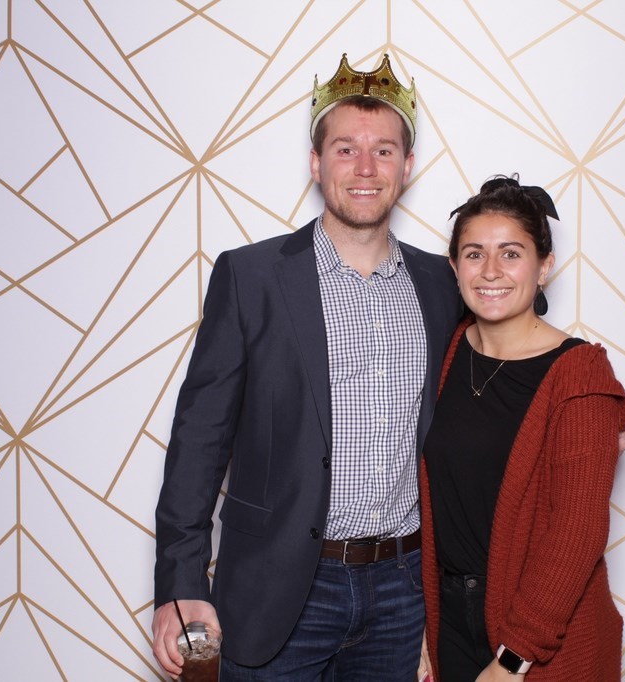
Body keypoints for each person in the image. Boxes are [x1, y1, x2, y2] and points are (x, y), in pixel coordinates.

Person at [150, 53, 461, 680]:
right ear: (316, 163)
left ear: (407, 165)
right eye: (346, 150)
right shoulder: (251, 277)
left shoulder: (442, 283)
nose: (366, 168)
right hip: (279, 585)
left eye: (383, 150)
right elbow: (200, 438)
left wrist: (583, 408)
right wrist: (180, 582)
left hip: (402, 592)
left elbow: (502, 363)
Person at [418, 177, 625, 681]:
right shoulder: (449, 352)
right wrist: (426, 626)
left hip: (539, 637)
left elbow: (577, 533)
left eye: (511, 254)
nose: (491, 271)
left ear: (544, 267)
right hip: (451, 621)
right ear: (454, 267)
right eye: (474, 254)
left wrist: (513, 657)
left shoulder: (580, 375)